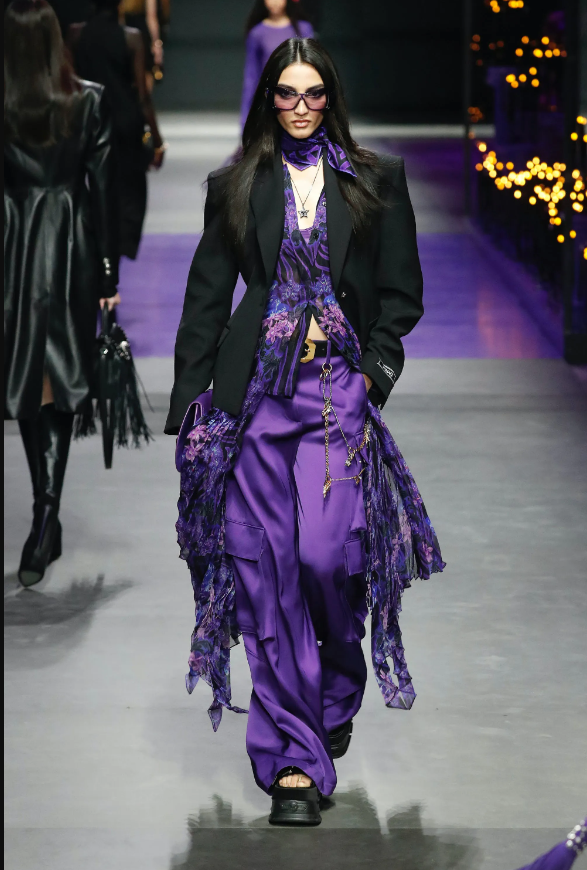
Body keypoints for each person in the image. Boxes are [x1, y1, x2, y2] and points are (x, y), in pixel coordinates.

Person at [167, 37, 445, 826]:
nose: (299, 107)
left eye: (312, 93)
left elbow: (400, 295)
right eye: (286, 94)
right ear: (269, 99)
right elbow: (206, 297)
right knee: (269, 575)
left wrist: (371, 378)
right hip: (254, 401)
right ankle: (291, 760)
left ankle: (334, 687)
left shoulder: (375, 181)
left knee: (327, 558)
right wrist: (191, 409)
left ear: (330, 98)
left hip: (334, 397)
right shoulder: (235, 184)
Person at [4, 0, 120, 586]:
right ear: (56, 41)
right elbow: (103, 192)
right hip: (71, 246)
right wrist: (108, 275)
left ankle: (45, 514)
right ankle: (46, 512)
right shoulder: (88, 101)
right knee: (57, 375)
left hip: (14, 248)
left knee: (32, 377)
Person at [68, 0, 165, 261]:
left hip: (88, 121)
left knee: (93, 186)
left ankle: (98, 247)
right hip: (125, 122)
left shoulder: (76, 35)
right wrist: (157, 141)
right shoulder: (131, 38)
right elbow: (142, 96)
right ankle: (117, 251)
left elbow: (71, 83)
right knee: (130, 190)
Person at [241, 0, 313, 129]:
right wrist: (246, 120)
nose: (274, 2)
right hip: (269, 99)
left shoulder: (303, 28)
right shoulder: (257, 33)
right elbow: (252, 74)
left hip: (299, 94)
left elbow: (313, 65)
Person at [120, 0, 164, 92]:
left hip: (124, 36)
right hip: (143, 37)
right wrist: (156, 44)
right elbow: (151, 17)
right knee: (145, 79)